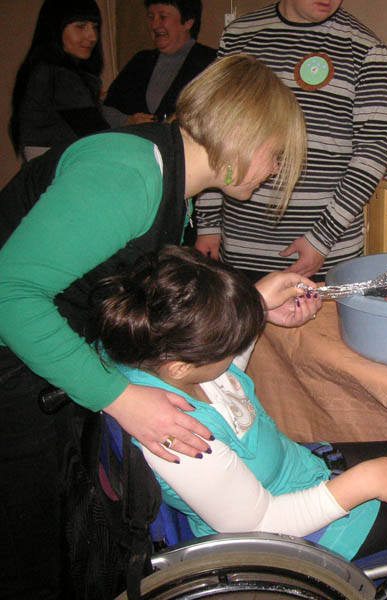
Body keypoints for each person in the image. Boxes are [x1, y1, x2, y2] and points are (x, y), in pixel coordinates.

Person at [0, 54, 311, 599]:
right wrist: (118, 396)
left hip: (46, 353)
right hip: (14, 364)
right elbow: (9, 295)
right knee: (31, 544)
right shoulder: (129, 176)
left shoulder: (170, 177)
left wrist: (254, 306)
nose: (273, 170)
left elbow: (157, 314)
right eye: (276, 153)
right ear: (244, 137)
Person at [91, 245, 387, 561]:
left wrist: (258, 304)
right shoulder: (180, 438)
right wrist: (361, 484)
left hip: (287, 469)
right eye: (230, 340)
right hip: (278, 532)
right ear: (181, 366)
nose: (240, 341)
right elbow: (261, 525)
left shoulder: (157, 357)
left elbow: (224, 379)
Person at [194, 0, 387, 281]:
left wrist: (321, 239)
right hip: (240, 249)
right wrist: (208, 224)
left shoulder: (366, 47)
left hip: (323, 256)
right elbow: (215, 135)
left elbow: (372, 155)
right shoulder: (239, 35)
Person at [9, 0, 109, 161]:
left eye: (95, 27)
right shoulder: (59, 76)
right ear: (55, 28)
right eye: (80, 26)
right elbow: (100, 136)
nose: (92, 37)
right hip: (59, 170)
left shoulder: (40, 70)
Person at [103, 0, 216, 127]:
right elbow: (106, 109)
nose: (155, 25)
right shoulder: (140, 61)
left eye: (163, 17)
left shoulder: (210, 63)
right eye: (151, 17)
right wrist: (127, 121)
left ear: (188, 22)